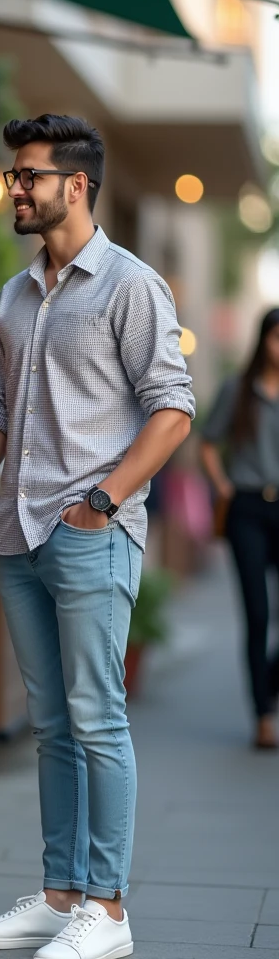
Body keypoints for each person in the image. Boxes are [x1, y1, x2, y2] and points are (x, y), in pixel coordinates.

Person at [0, 115, 194, 959]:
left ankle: (108, 911)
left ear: (77, 185)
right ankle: (62, 894)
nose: (14, 189)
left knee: (98, 720)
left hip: (90, 530)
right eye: (14, 175)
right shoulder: (15, 295)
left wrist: (104, 499)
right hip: (17, 535)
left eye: (29, 176)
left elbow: (174, 408)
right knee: (54, 725)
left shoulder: (130, 285)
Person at [200, 308, 279, 750]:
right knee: (257, 614)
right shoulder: (238, 389)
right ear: (263, 340)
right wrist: (224, 487)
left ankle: (267, 683)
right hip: (247, 507)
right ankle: (263, 717)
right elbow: (208, 442)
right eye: (275, 338)